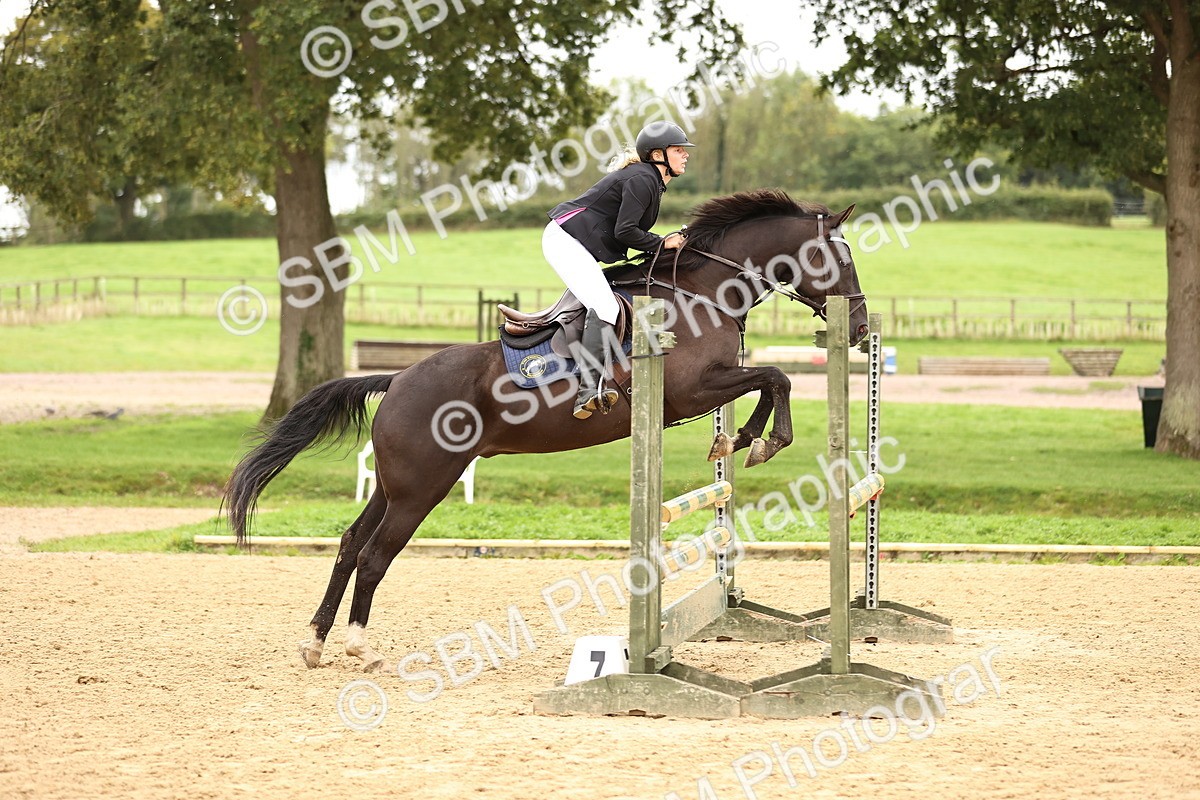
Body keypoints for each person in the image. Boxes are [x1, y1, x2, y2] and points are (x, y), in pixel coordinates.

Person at [543, 120, 695, 419]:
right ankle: (588, 390)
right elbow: (625, 231)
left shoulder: (649, 178)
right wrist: (662, 243)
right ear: (657, 154)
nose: (685, 155)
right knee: (604, 306)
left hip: (570, 240)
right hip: (564, 240)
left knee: (606, 303)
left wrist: (660, 243)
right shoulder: (643, 178)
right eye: (679, 150)